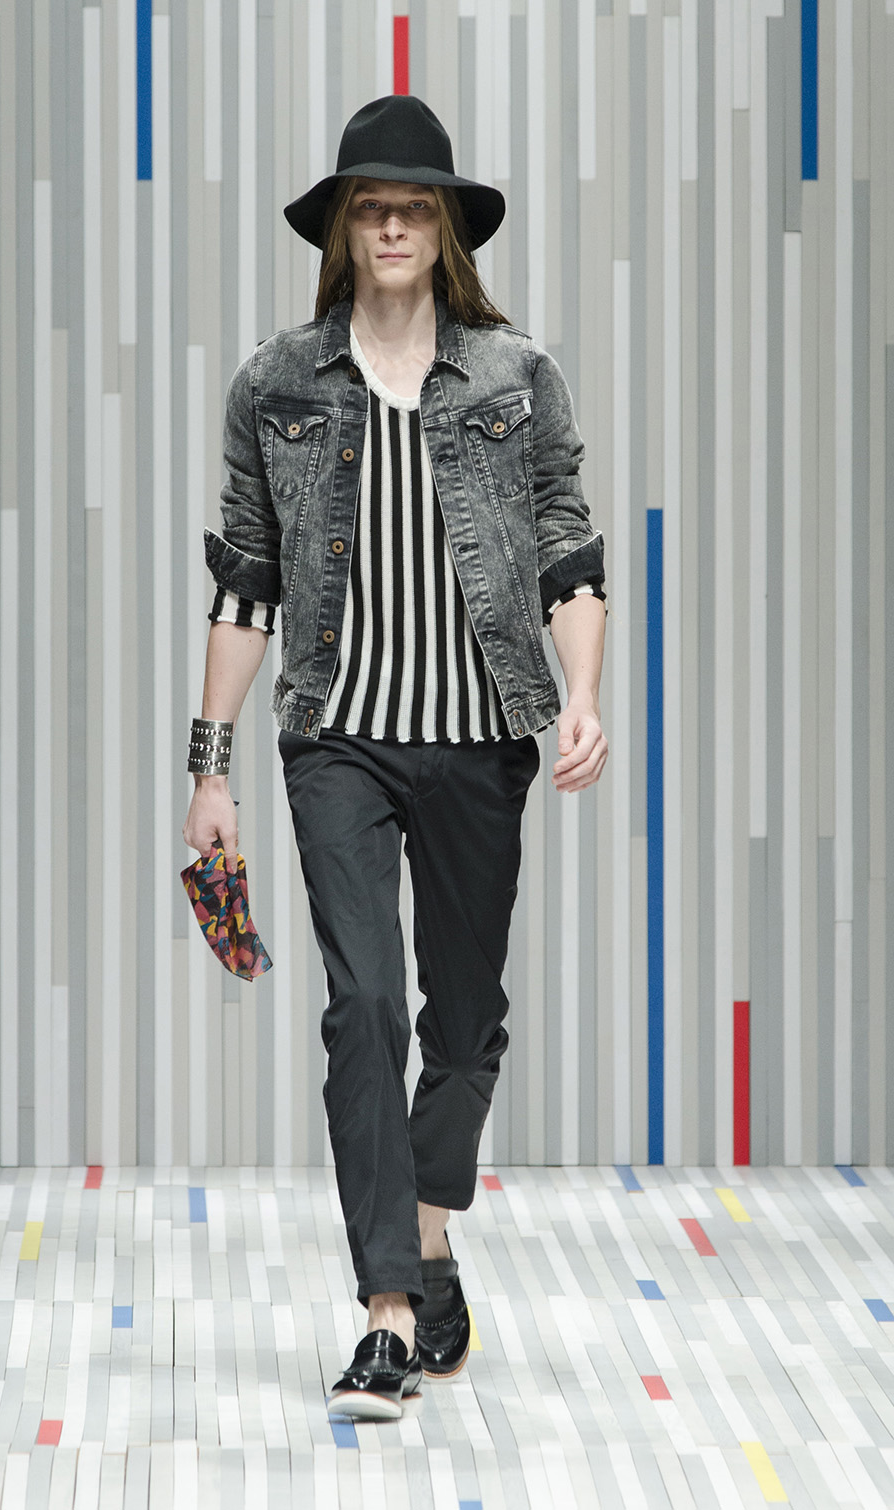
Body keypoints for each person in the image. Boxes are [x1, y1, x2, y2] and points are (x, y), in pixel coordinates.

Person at [182, 95, 608, 1422]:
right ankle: (386, 1312)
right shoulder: (277, 384)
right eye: (369, 207)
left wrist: (584, 695)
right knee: (362, 1004)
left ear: (445, 229)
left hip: (481, 737)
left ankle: (427, 1232)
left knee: (464, 1023)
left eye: (412, 207)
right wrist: (210, 766)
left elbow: (566, 545)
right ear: (342, 230)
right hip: (339, 741)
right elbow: (247, 580)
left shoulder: (515, 376)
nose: (390, 226)